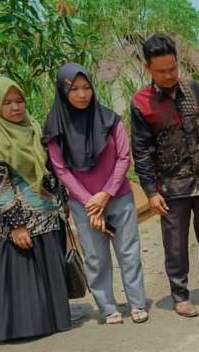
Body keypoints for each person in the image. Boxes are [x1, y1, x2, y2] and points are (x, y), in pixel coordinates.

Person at [131, 34, 199, 318]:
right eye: (162, 71)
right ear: (148, 68)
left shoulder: (193, 90)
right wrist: (151, 191)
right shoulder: (141, 103)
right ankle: (180, 295)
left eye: (173, 68)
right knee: (175, 245)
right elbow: (141, 151)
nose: (169, 75)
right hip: (171, 187)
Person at [44, 63, 148, 325]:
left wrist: (106, 194)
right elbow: (60, 169)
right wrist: (91, 201)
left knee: (129, 253)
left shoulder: (109, 119)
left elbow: (124, 158)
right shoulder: (56, 127)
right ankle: (107, 307)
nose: (82, 94)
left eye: (86, 87)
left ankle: (136, 302)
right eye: (75, 89)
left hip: (118, 197)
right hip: (84, 204)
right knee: (96, 257)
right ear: (62, 91)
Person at [0, 77, 71, 342]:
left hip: (47, 213)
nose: (16, 107)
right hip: (21, 219)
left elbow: (50, 169)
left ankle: (54, 318)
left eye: (19, 101)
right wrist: (17, 224)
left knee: (49, 264)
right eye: (7, 102)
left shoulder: (32, 128)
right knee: (20, 271)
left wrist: (63, 200)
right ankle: (18, 326)